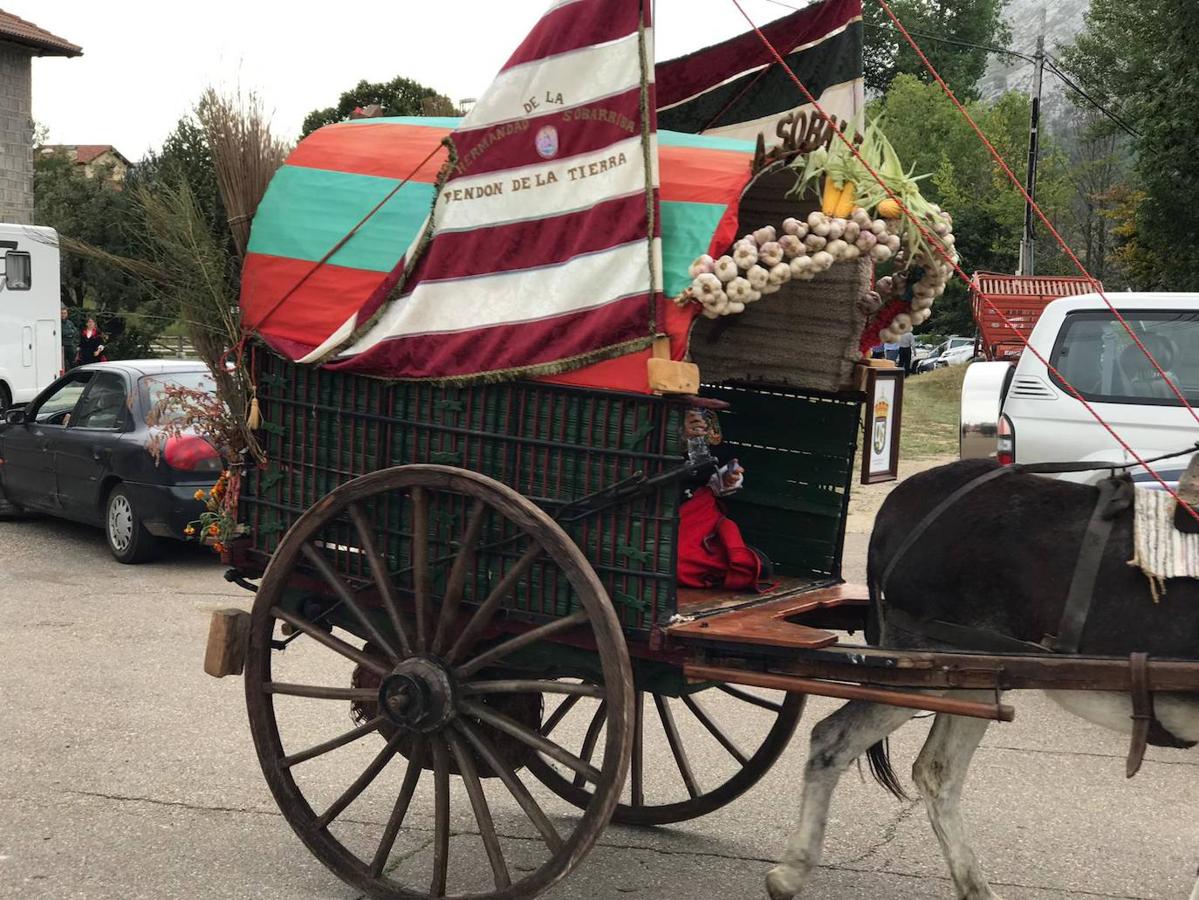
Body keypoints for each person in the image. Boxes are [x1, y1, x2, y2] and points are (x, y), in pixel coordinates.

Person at [676, 407, 767, 591]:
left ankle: (738, 560)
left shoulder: (705, 415)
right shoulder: (648, 412)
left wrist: (728, 477)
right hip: (657, 503)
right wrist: (675, 438)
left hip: (695, 508)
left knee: (680, 561)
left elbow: (716, 469)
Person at [60, 305, 79, 372]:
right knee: (62, 364)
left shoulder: (70, 323)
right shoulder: (58, 323)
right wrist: (69, 333)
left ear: (67, 314)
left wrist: (69, 333)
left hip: (71, 346)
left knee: (73, 363)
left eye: (64, 313)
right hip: (62, 346)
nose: (63, 315)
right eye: (61, 313)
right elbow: (62, 333)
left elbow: (76, 332)